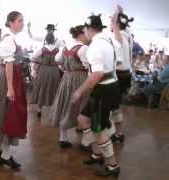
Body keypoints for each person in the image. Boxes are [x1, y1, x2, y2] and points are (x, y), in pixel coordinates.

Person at [72, 14, 121, 177]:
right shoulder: (109, 40)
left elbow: (97, 74)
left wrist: (80, 91)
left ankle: (113, 166)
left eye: (84, 29)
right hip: (111, 87)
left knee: (99, 130)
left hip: (103, 90)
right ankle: (96, 154)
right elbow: (118, 60)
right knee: (82, 119)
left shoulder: (95, 46)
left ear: (89, 29)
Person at [0, 11, 27, 170]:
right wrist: (10, 88)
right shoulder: (8, 39)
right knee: (8, 113)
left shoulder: (6, 38)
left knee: (1, 111)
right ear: (11, 22)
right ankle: (5, 156)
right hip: (7, 78)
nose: (22, 23)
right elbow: (9, 64)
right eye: (20, 21)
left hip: (2, 76)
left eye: (22, 20)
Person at [50, 25, 90, 149]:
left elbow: (58, 60)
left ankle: (63, 139)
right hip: (81, 79)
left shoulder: (65, 47)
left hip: (67, 78)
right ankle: (86, 142)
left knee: (65, 105)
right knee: (83, 107)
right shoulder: (84, 48)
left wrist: (66, 70)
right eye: (86, 32)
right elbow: (89, 66)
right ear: (82, 34)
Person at [109, 6, 134, 143]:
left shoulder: (118, 36)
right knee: (115, 105)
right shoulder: (128, 34)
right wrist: (119, 14)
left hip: (118, 75)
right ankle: (117, 132)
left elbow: (114, 25)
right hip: (126, 73)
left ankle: (117, 133)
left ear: (117, 25)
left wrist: (116, 13)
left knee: (113, 105)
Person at [30, 31, 60, 118]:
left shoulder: (42, 49)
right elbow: (60, 60)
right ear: (54, 40)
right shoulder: (58, 49)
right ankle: (52, 109)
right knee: (53, 87)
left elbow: (32, 57)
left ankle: (39, 109)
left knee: (42, 88)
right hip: (54, 71)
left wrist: (40, 60)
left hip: (43, 70)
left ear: (46, 39)